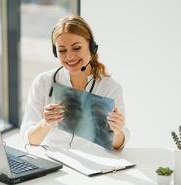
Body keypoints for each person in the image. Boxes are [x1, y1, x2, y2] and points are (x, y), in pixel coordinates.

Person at [20, 15, 129, 150]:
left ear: (92, 47)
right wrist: (46, 123)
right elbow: (30, 140)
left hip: (95, 163)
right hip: (54, 161)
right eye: (62, 50)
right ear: (55, 52)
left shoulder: (110, 87)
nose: (69, 56)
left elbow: (117, 146)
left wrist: (118, 131)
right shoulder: (43, 82)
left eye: (76, 48)